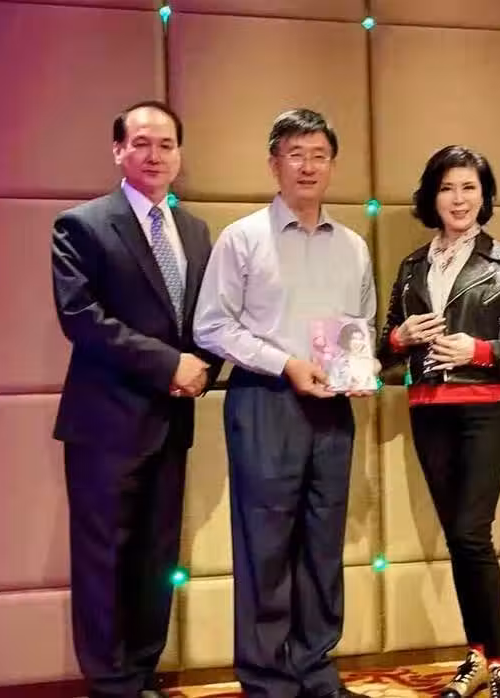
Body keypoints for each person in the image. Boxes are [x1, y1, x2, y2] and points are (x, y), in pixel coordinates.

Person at [193, 108, 376, 698]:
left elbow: (362, 324)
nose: (307, 166)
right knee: (265, 547)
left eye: (319, 155)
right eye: (295, 154)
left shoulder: (353, 246)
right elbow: (212, 326)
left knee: (322, 546)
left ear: (332, 165)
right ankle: (268, 681)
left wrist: (362, 366)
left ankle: (316, 672)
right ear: (274, 164)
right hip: (265, 403)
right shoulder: (243, 238)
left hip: (332, 409)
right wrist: (286, 364)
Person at [51, 100, 222, 698]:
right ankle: (110, 683)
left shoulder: (195, 232)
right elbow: (82, 318)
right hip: (105, 425)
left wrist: (203, 370)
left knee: (156, 559)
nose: (155, 155)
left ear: (179, 154)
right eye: (142, 143)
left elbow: (207, 322)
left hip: (171, 422)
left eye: (166, 144)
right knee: (103, 560)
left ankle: (143, 673)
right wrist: (169, 365)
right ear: (118, 150)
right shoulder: (82, 225)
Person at [378, 145, 500, 698]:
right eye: (448, 187)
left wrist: (479, 350)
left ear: (484, 195)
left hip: (485, 410)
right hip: (428, 410)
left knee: (472, 533)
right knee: (459, 539)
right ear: (432, 196)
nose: (458, 198)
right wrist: (400, 337)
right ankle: (478, 656)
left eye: (469, 187)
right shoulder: (411, 267)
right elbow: (383, 352)